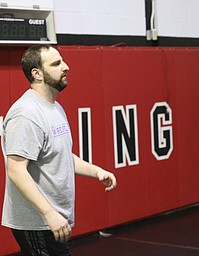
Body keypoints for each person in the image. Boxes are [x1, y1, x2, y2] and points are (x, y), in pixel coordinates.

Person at [1, 45, 117, 255]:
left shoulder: (54, 107)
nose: (66, 67)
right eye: (56, 64)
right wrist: (48, 214)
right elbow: (16, 170)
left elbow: (60, 155)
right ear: (36, 73)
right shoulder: (26, 114)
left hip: (52, 219)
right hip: (37, 222)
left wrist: (96, 171)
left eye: (62, 61)